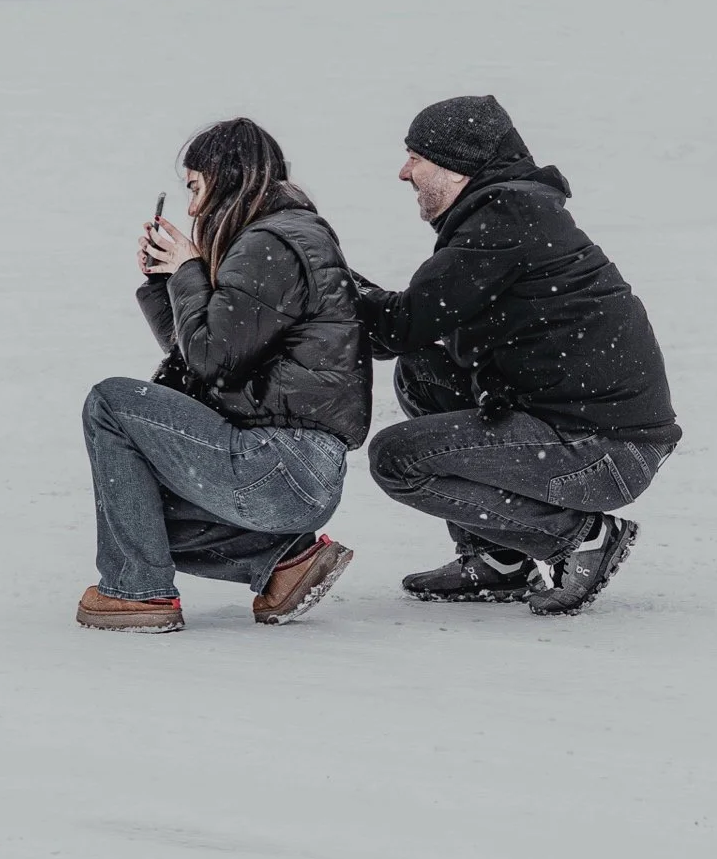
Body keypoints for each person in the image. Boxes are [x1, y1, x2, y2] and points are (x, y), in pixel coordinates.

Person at [353, 96, 680, 617]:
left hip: (605, 451)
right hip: (593, 435)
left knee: (398, 461)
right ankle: (501, 557)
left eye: (415, 157)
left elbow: (397, 325)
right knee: (425, 372)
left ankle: (582, 536)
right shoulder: (509, 213)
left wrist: (316, 276)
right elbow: (407, 334)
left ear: (457, 166)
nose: (403, 172)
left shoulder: (504, 219)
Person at [78, 118, 373, 634]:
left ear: (224, 177)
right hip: (293, 469)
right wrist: (163, 283)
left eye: (195, 188)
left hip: (282, 462)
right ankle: (284, 564)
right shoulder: (277, 237)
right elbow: (203, 359)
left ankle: (138, 593)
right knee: (135, 513)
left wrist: (190, 269)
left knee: (111, 402)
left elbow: (211, 357)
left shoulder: (269, 243)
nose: (192, 208)